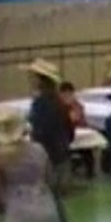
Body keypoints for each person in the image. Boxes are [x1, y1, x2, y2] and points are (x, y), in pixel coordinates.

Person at [20, 59, 74, 190]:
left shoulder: (41, 103)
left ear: (40, 80)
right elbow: (69, 129)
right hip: (61, 153)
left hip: (47, 156)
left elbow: (40, 131)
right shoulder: (58, 101)